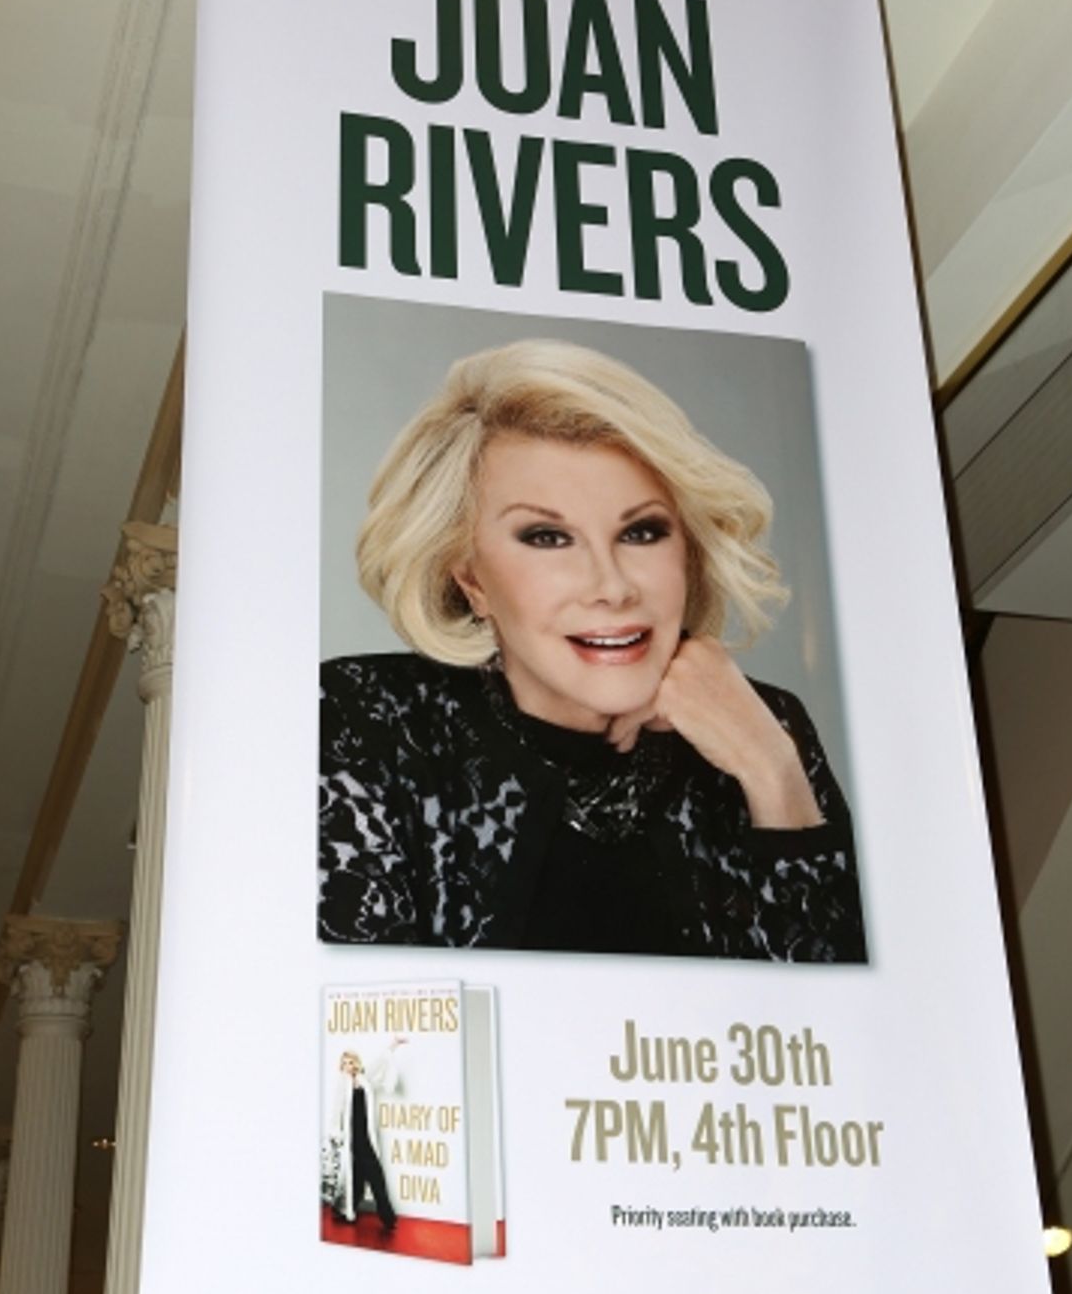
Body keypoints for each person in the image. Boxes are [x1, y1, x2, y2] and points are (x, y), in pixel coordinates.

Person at [319, 339, 865, 962]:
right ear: (470, 579)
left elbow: (847, 1040)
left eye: (641, 532)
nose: (612, 586)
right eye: (548, 537)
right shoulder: (365, 719)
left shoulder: (766, 725)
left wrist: (773, 773)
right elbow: (364, 1040)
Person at [332, 1051, 396, 1230]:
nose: (348, 1066)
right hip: (352, 1139)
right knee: (358, 1178)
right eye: (344, 1063)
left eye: (351, 1062)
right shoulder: (341, 1085)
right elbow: (337, 1111)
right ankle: (345, 1210)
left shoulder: (364, 1080)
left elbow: (379, 1060)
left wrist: (392, 1045)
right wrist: (336, 1133)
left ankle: (387, 1218)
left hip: (366, 1137)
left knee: (372, 1176)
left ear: (356, 1064)